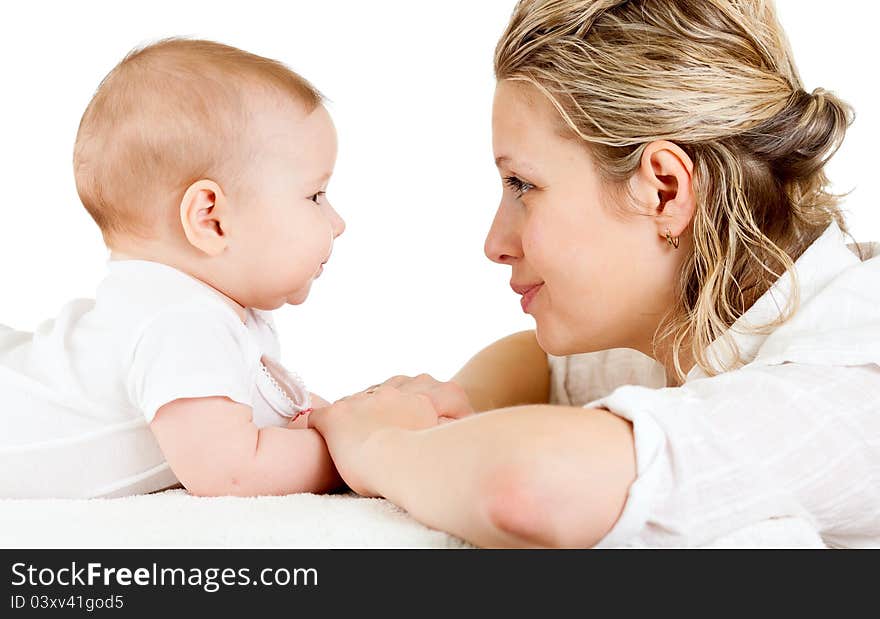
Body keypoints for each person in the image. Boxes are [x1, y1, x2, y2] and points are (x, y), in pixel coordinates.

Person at [308, 0, 880, 548]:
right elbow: (540, 365)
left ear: (664, 190)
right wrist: (451, 407)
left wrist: (381, 444)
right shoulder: (692, 326)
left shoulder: (852, 377)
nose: (495, 244)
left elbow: (530, 489)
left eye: (523, 186)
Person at [0, 39, 345, 499]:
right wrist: (352, 457)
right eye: (315, 196)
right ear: (211, 219)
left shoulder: (206, 314)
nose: (338, 224)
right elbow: (233, 470)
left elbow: (282, 414)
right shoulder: (180, 321)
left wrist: (361, 423)